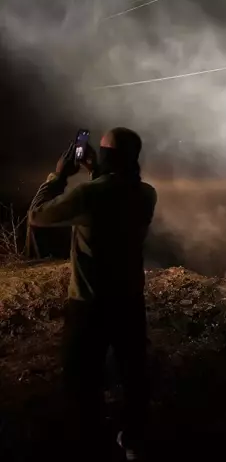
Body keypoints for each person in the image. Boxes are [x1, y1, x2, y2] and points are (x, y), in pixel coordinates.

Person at [29, 128, 157, 461]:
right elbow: (115, 186)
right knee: (133, 373)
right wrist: (96, 171)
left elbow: (38, 216)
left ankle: (89, 442)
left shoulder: (87, 194)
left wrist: (58, 176)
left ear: (105, 156)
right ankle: (133, 440)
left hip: (89, 302)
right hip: (128, 299)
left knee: (82, 377)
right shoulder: (146, 194)